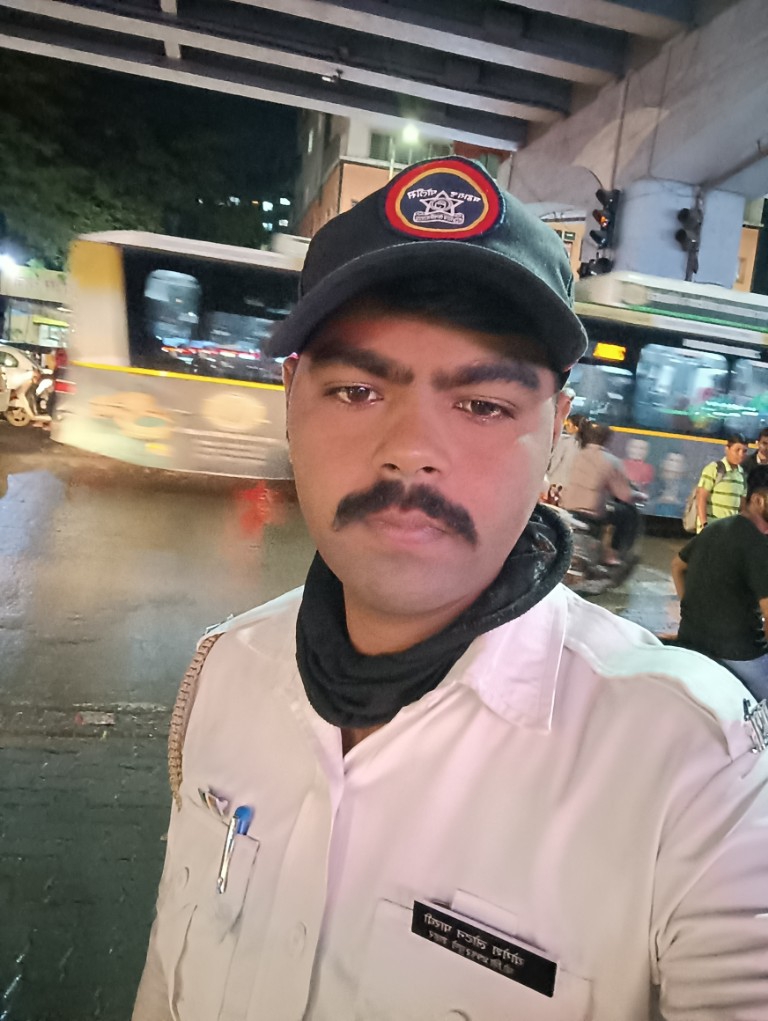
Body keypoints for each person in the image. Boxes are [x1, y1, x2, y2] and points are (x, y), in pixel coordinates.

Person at [133, 157, 768, 1021]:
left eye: (483, 405)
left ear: (555, 435)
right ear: (289, 399)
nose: (410, 451)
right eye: (356, 390)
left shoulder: (697, 772)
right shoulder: (225, 670)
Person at [671, 464, 768, 700]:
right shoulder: (759, 546)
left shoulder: (714, 528)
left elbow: (677, 566)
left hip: (691, 639)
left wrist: (689, 608)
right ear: (758, 500)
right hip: (738, 654)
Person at [559, 420, 644, 566]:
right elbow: (624, 495)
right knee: (628, 514)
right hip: (592, 511)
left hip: (565, 505)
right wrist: (641, 495)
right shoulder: (610, 460)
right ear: (607, 439)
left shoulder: (574, 454)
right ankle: (612, 553)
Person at [694, 433, 748, 532]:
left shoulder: (742, 475)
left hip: (729, 530)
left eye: (744, 451)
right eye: (737, 450)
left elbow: (742, 505)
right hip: (711, 528)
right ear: (727, 449)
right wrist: (704, 524)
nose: (741, 454)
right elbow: (701, 498)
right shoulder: (714, 469)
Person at [542, 405, 584, 504]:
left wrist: (547, 474)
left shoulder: (565, 442)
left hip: (557, 483)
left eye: (569, 425)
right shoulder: (585, 444)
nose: (566, 427)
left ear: (576, 428)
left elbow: (555, 462)